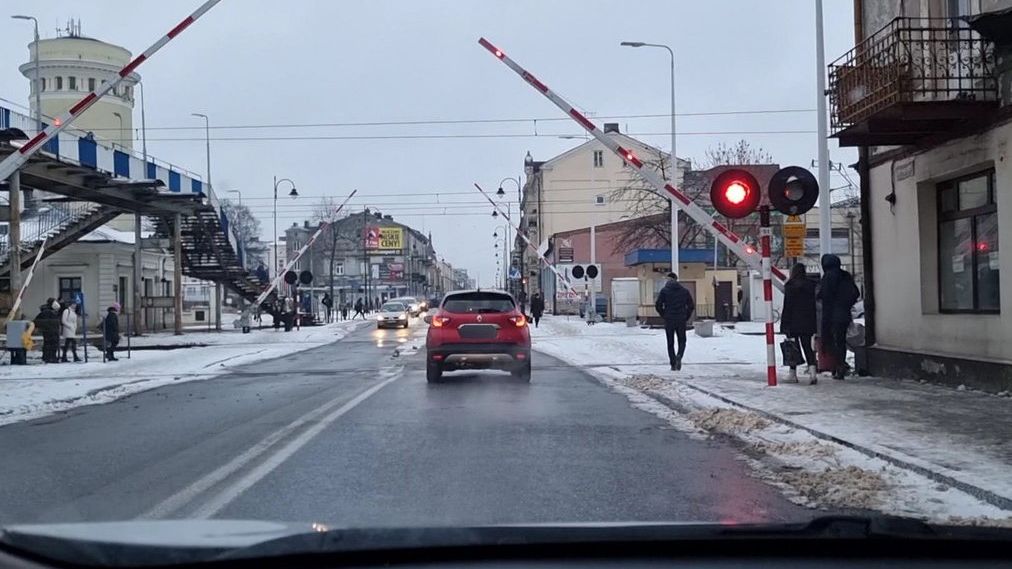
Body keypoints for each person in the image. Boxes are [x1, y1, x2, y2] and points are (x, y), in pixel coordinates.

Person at [817, 253, 860, 380]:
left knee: (831, 341)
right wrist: (845, 304)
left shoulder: (828, 277)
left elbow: (825, 296)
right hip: (844, 314)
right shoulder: (845, 275)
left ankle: (838, 366)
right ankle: (840, 365)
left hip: (831, 314)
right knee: (840, 341)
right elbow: (855, 293)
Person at [780, 263, 817, 384]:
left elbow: (788, 306)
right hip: (807, 321)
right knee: (807, 347)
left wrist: (784, 324)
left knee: (793, 348)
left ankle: (793, 374)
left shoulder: (790, 286)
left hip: (793, 322)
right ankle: (812, 373)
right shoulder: (810, 286)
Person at [655, 272, 694, 371]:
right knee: (682, 340)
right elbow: (691, 306)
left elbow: (658, 305)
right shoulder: (684, 291)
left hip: (669, 319)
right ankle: (679, 356)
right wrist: (686, 316)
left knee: (670, 342)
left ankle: (673, 363)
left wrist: (664, 315)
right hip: (681, 319)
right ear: (676, 279)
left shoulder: (664, 291)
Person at [34, 299, 61, 363]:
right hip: (49, 331)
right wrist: (47, 324)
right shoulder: (46, 312)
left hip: (52, 331)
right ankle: (49, 357)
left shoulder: (53, 312)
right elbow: (36, 321)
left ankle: (50, 357)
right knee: (50, 345)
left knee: (51, 345)